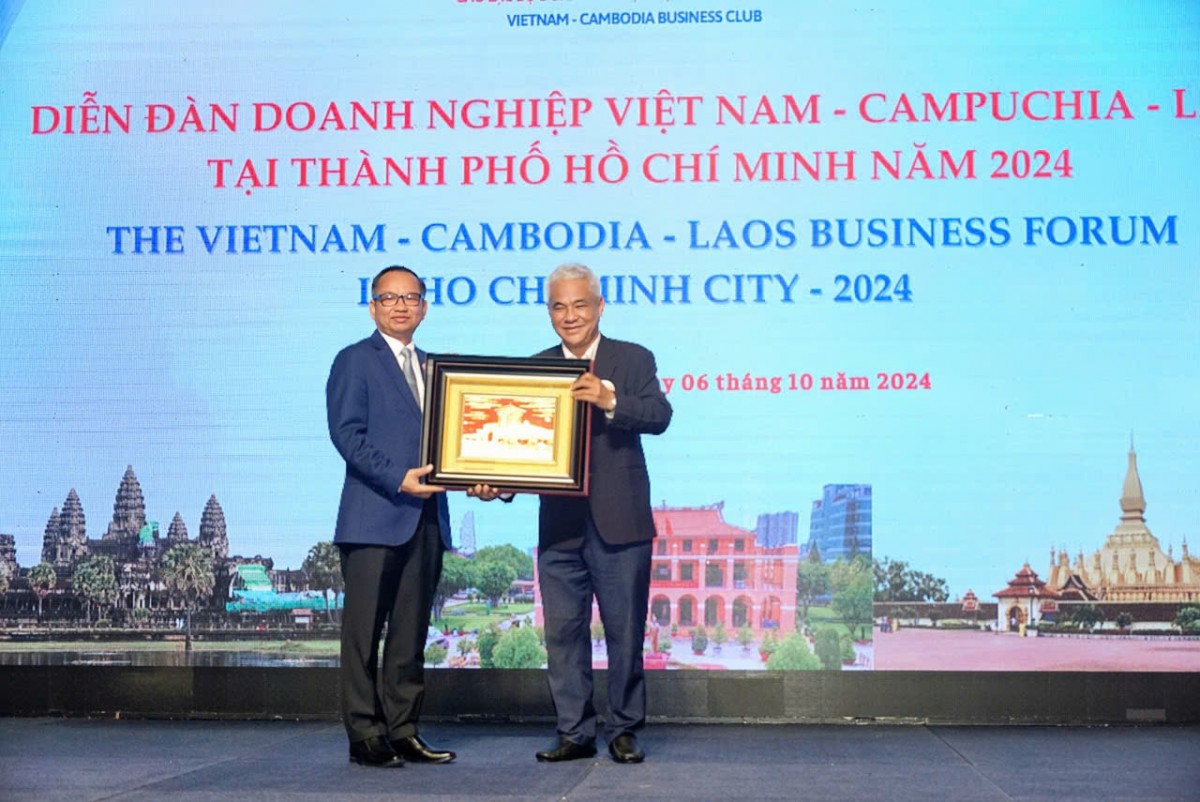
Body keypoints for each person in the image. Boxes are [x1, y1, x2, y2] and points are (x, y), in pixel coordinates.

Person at [326, 264, 489, 768]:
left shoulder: (439, 369)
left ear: (424, 306)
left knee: (409, 635)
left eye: (411, 297)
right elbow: (347, 435)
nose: (401, 306)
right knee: (363, 636)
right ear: (373, 306)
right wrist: (399, 477)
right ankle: (363, 734)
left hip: (427, 519)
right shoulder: (355, 360)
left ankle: (403, 729)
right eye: (389, 297)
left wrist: (485, 479)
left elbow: (462, 443)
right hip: (373, 518)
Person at [531, 262, 672, 764]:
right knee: (563, 635)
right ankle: (574, 732)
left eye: (579, 305)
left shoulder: (632, 359)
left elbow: (659, 415)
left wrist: (610, 397)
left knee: (625, 632)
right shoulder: (537, 367)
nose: (569, 316)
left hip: (622, 524)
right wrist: (495, 484)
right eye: (558, 306)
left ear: (599, 305)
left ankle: (625, 729)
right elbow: (520, 448)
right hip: (559, 528)